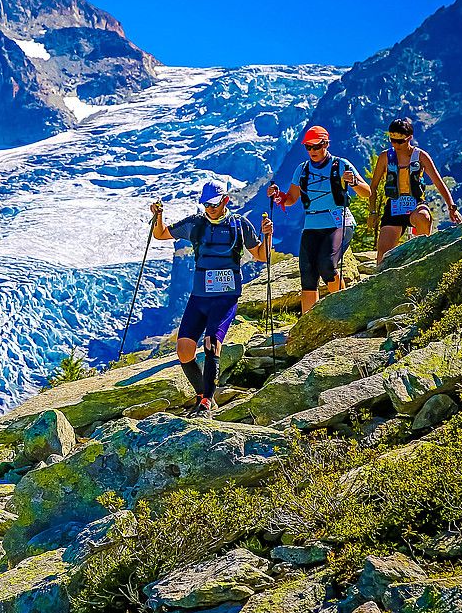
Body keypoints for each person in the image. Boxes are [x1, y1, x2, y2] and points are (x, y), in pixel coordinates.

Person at [150, 181, 272, 414]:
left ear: (225, 200)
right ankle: (201, 393)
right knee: (184, 350)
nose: (210, 208)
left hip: (225, 297)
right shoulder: (195, 224)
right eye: (206, 204)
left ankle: (207, 399)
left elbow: (261, 256)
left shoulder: (239, 224)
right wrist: (159, 216)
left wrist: (267, 235)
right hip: (200, 297)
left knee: (211, 344)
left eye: (214, 204)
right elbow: (161, 234)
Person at [267, 125, 371, 313]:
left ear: (326, 144)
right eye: (309, 147)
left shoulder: (341, 165)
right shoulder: (302, 169)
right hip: (312, 224)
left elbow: (367, 192)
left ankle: (345, 312)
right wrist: (278, 196)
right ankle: (309, 323)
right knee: (307, 273)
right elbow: (290, 199)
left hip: (339, 222)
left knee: (327, 265)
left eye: (317, 146)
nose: (313, 151)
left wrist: (354, 182)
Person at [368, 118, 462, 264]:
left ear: (410, 138)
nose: (396, 145)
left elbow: (438, 182)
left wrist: (452, 207)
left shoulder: (421, 156)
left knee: (423, 217)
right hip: (394, 206)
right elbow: (373, 187)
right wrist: (373, 212)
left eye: (400, 141)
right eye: (392, 140)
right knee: (382, 257)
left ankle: (423, 257)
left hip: (416, 203)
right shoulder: (385, 157)